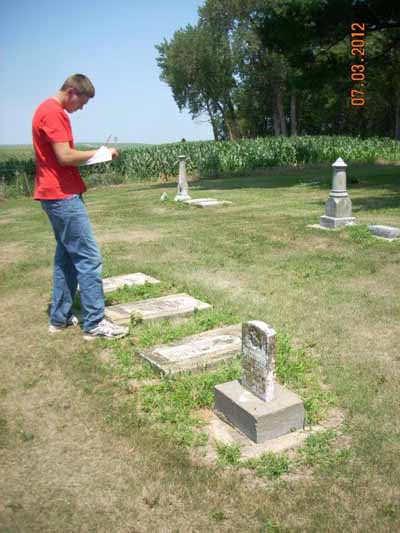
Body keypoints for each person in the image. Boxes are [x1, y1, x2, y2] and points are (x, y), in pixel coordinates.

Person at [32, 73, 128, 340]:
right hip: (63, 196)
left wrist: (95, 154)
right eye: (82, 102)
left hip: (53, 195)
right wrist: (102, 154)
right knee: (88, 258)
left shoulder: (45, 110)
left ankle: (59, 318)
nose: (82, 108)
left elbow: (61, 155)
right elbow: (65, 157)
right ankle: (95, 322)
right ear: (72, 91)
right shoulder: (54, 113)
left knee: (66, 259)